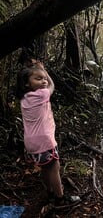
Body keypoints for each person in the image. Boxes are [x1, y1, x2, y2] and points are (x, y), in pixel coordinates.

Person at [16, 61, 77, 206]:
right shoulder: (42, 94)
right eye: (38, 79)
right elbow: (52, 86)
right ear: (26, 83)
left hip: (31, 142)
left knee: (45, 167)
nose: (43, 81)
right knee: (55, 168)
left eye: (43, 78)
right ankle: (60, 198)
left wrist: (41, 72)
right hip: (44, 140)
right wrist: (45, 71)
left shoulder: (24, 98)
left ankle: (49, 192)